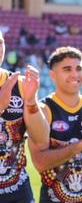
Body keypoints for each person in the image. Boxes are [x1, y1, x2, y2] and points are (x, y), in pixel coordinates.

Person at [28, 47, 82, 203]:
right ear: (52, 76)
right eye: (67, 69)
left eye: (78, 68)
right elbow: (39, 163)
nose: (75, 74)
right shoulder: (42, 110)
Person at [0, 30, 50, 203]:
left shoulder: (18, 84)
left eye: (0, 43)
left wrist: (31, 102)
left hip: (18, 192)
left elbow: (42, 140)